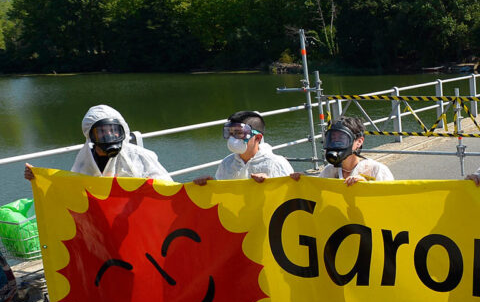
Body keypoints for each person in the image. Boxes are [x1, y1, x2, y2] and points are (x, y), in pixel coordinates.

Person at [25, 104, 172, 183]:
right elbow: (70, 188)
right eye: (101, 132)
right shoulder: (85, 161)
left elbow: (168, 187)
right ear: (91, 137)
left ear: (123, 132)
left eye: (114, 130)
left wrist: (152, 184)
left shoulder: (139, 156)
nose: (109, 135)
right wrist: (38, 177)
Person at [193, 110, 294, 184]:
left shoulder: (276, 164)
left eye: (239, 133)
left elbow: (288, 197)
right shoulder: (227, 163)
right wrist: (208, 186)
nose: (232, 138)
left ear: (258, 138)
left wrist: (270, 183)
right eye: (230, 133)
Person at [298, 116, 394, 186]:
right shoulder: (330, 171)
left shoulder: (376, 170)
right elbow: (318, 193)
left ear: (359, 142)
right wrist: (302, 182)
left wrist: (367, 186)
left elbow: (390, 202)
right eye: (332, 139)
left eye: (341, 139)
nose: (335, 144)